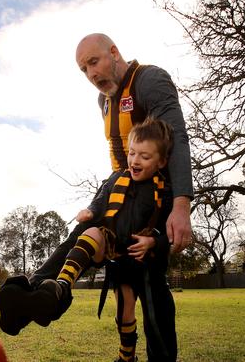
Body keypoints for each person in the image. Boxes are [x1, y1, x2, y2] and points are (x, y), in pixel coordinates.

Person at [0, 33, 193, 361]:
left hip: (154, 200)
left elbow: (178, 137)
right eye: (83, 70)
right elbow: (118, 156)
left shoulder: (150, 80)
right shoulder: (103, 101)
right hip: (119, 186)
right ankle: (40, 292)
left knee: (150, 286)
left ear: (114, 52)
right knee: (80, 235)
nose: (91, 75)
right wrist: (103, 199)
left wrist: (181, 204)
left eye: (94, 62)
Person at [42, 119, 174, 362]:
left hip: (142, 259)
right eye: (132, 153)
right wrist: (90, 212)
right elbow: (100, 199)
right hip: (115, 250)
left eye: (144, 157)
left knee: (127, 313)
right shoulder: (116, 178)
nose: (135, 161)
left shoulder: (164, 192)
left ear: (161, 161)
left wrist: (153, 242)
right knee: (90, 233)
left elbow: (170, 230)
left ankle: (127, 357)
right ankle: (61, 286)